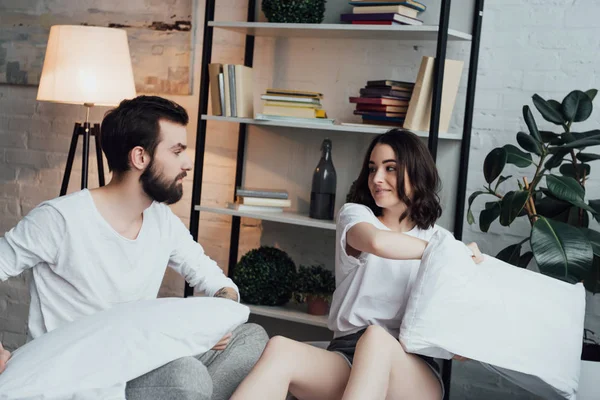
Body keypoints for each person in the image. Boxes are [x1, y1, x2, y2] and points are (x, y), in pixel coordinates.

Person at [0, 95, 268, 400]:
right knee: (186, 375)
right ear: (140, 157)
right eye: (177, 151)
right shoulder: (60, 219)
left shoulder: (162, 221)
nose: (187, 163)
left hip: (140, 360)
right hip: (79, 374)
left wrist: (219, 318)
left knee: (251, 338)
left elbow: (218, 283)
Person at [230, 129, 483, 400]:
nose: (377, 179)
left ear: (417, 172)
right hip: (347, 355)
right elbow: (377, 243)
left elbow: (462, 337)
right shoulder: (357, 216)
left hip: (411, 370)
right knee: (280, 348)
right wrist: (449, 254)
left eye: (391, 169)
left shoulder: (439, 239)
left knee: (376, 338)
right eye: (373, 168)